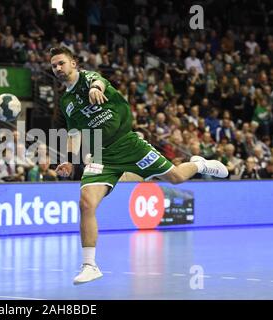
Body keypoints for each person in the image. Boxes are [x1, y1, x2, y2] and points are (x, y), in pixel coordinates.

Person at [50, 47, 228, 285]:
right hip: (101, 154)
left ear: (73, 63)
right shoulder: (66, 102)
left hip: (129, 144)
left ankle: (198, 164)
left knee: (175, 177)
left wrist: (95, 89)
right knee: (86, 203)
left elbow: (98, 82)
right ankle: (90, 265)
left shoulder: (89, 78)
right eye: (54, 66)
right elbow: (74, 133)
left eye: (61, 63)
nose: (58, 68)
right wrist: (70, 162)